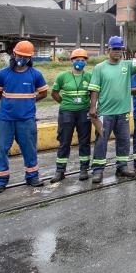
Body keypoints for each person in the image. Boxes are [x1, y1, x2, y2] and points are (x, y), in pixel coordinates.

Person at [0, 40, 49, 193]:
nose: (21, 59)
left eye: (25, 56)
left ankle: (32, 177)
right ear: (13, 54)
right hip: (5, 119)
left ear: (30, 58)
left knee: (29, 149)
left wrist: (29, 100)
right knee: (1, 149)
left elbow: (43, 93)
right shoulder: (2, 74)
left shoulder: (35, 75)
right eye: (19, 55)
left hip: (27, 119)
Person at [88, 36, 136, 183]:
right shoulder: (99, 68)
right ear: (108, 50)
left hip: (123, 113)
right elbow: (94, 90)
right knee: (101, 141)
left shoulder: (128, 65)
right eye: (115, 49)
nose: (118, 52)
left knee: (124, 141)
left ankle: (122, 167)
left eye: (120, 49)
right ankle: (97, 170)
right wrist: (93, 107)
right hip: (105, 113)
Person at [49, 48, 95, 183]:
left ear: (86, 62)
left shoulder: (89, 77)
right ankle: (60, 171)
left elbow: (93, 93)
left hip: (84, 112)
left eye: (82, 60)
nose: (80, 62)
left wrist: (92, 106)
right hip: (67, 113)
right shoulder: (62, 76)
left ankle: (84, 169)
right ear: (72, 61)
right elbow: (55, 93)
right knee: (64, 141)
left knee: (84, 141)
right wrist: (65, 104)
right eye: (77, 60)